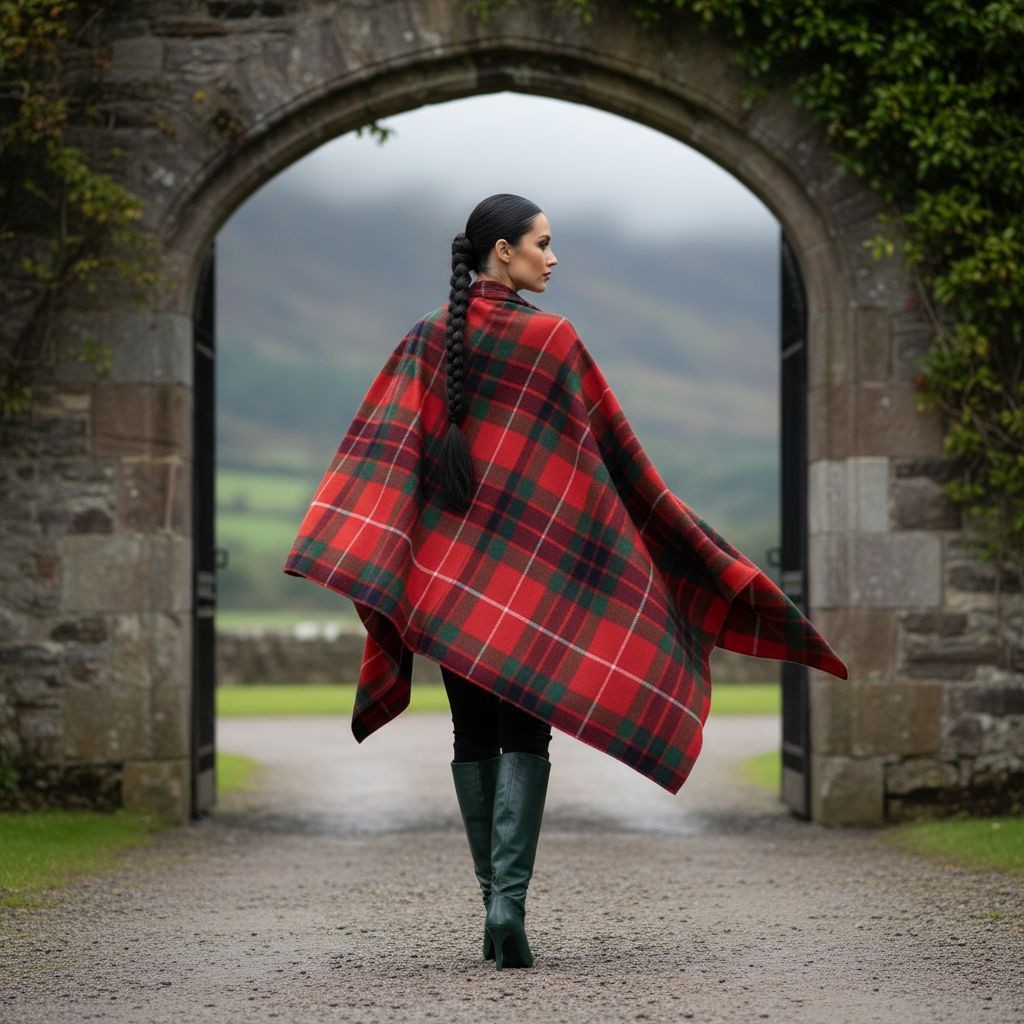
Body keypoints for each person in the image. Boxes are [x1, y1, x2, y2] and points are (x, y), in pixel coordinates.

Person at [283, 193, 849, 972]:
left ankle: (491, 900)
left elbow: (382, 462)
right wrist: (665, 546)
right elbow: (615, 467)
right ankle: (509, 904)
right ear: (503, 251)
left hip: (448, 585)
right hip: (532, 585)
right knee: (526, 734)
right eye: (542, 244)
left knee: (470, 734)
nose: (552, 258)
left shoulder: (423, 339)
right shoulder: (552, 340)